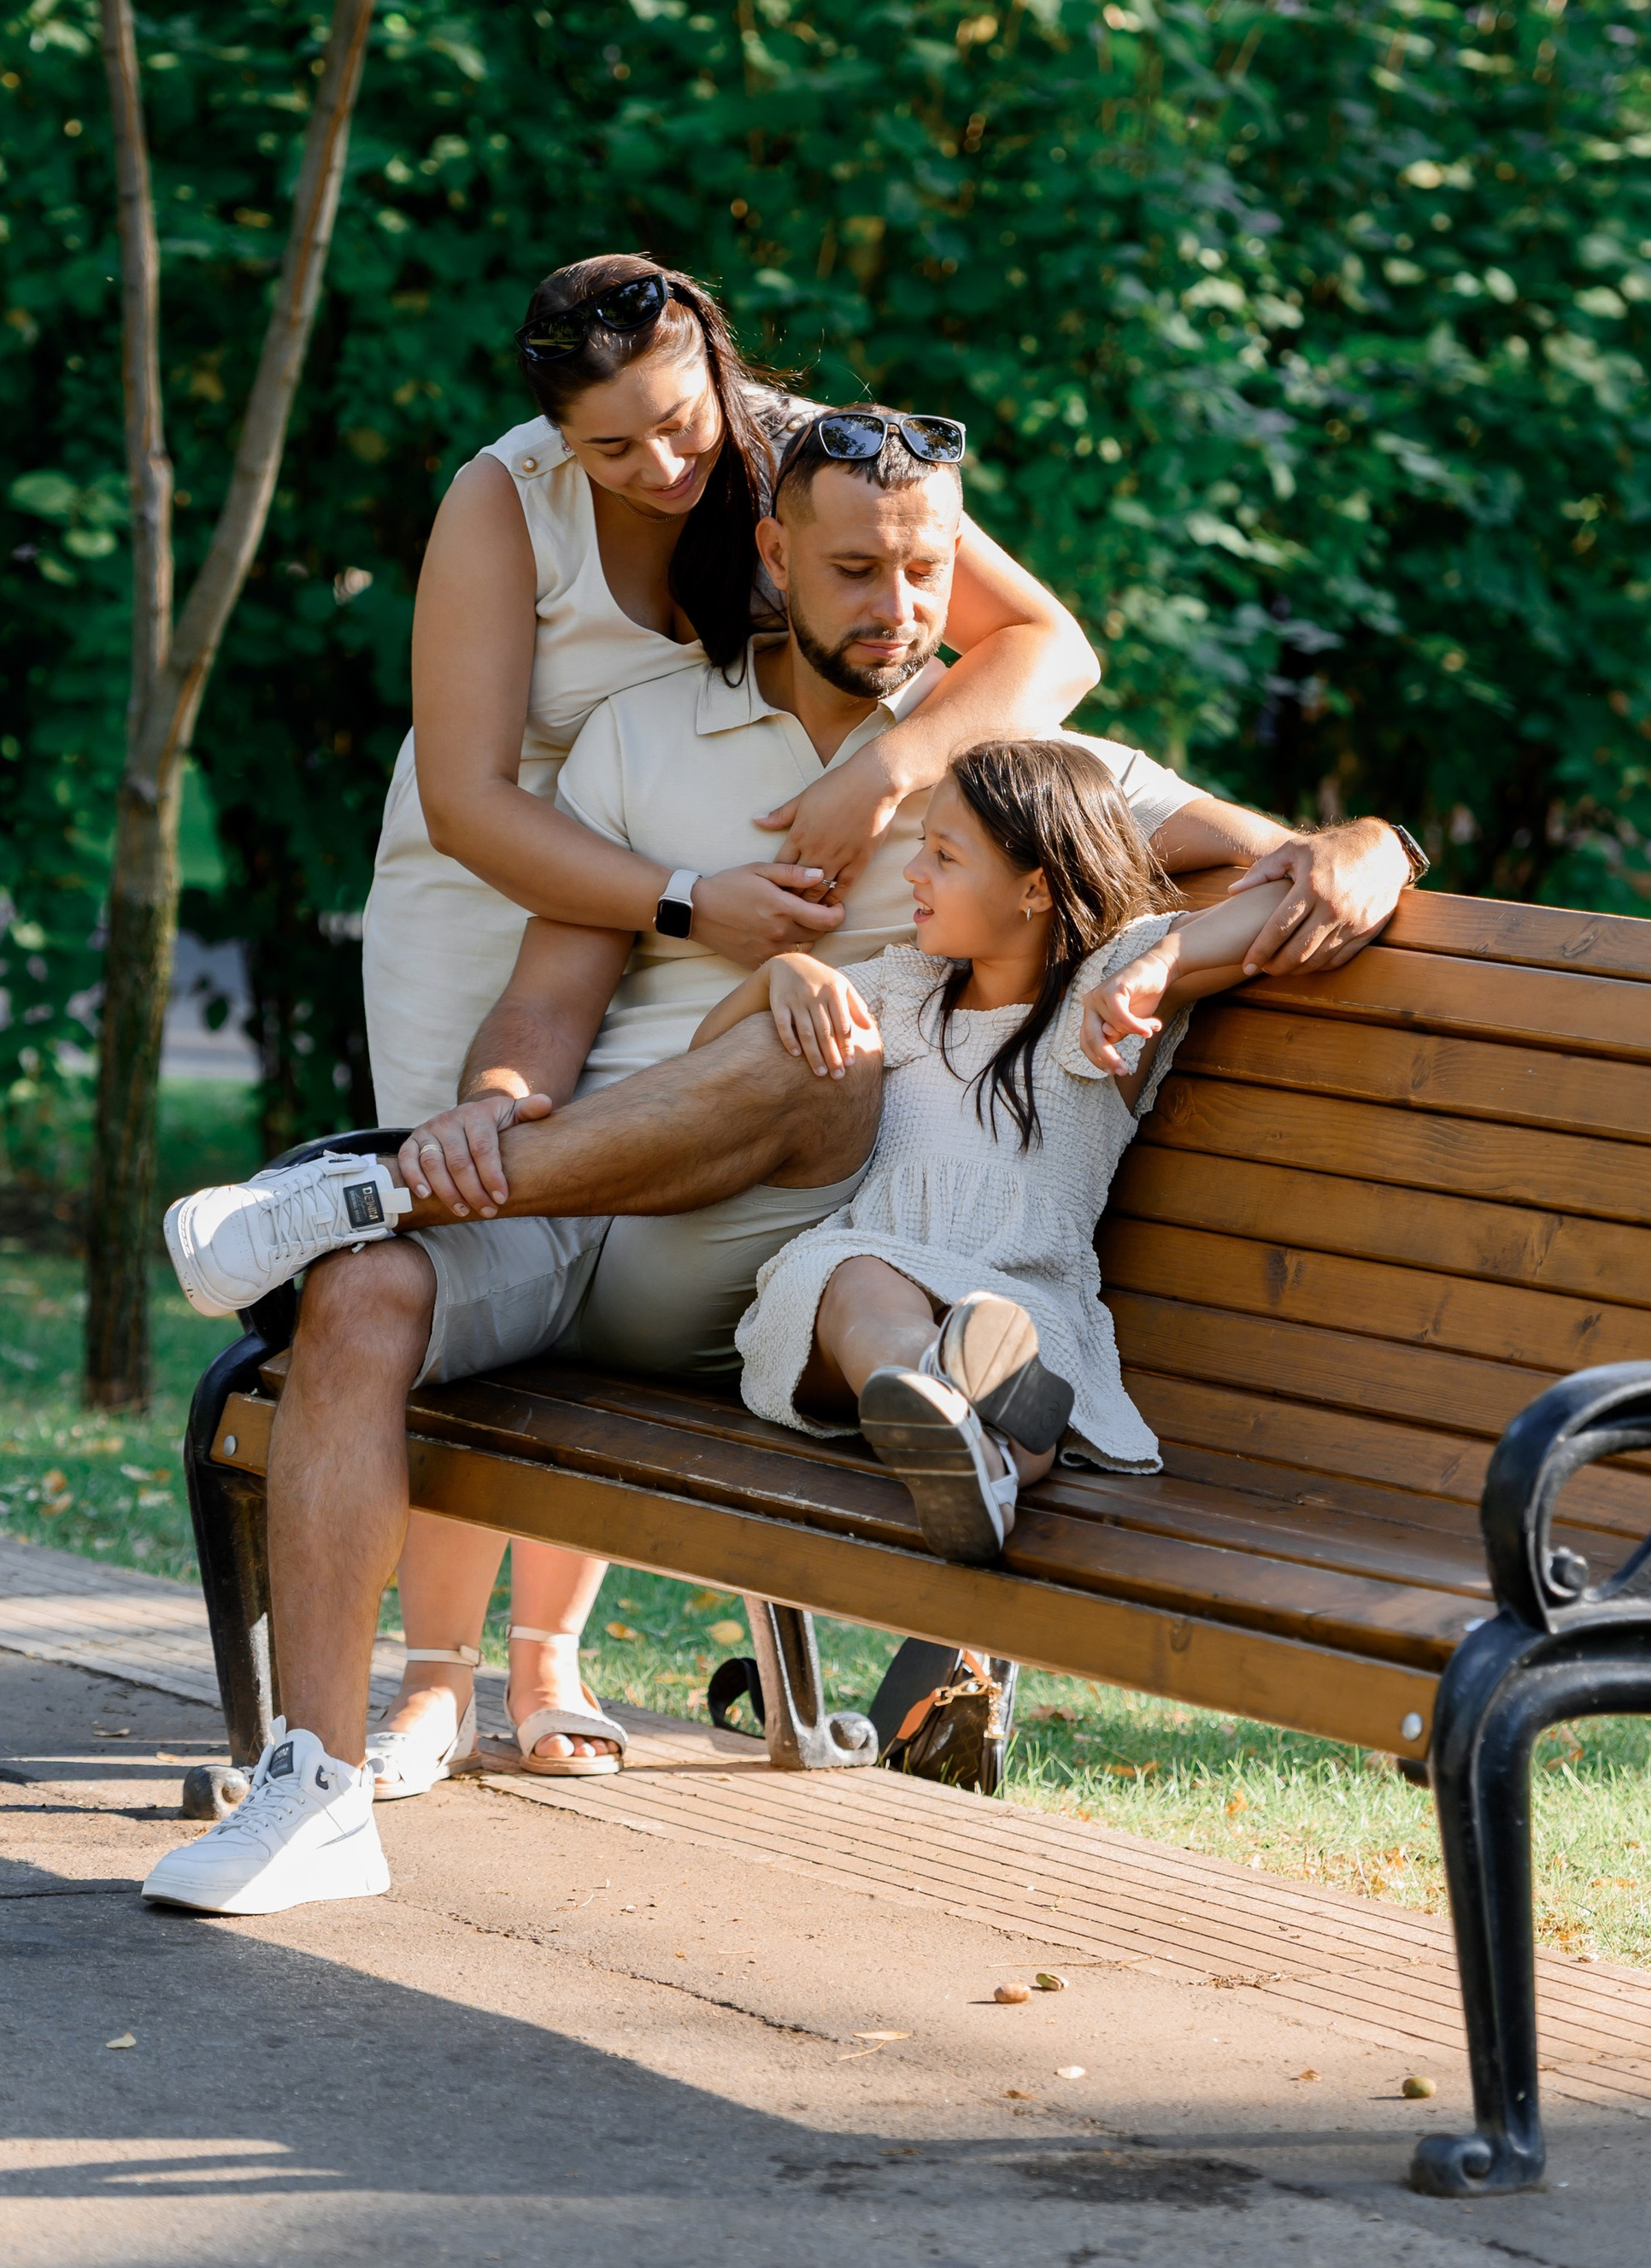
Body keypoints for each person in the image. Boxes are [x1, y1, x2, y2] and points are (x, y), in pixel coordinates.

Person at [148, 422, 1418, 1918]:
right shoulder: (646, 735)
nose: (901, 605)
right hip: (580, 1198)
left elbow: (1292, 864)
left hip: (780, 1257)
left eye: (931, 568)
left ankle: (372, 1183)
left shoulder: (1024, 780)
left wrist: (1371, 846)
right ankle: (319, 1788)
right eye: (859, 568)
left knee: (833, 1039)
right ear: (772, 555)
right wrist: (496, 1104)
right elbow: (548, 1007)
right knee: (359, 1300)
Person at [355, 254, 1100, 1777]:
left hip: (729, 862)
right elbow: (469, 796)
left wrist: (880, 778)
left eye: (681, 422)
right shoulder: (501, 508)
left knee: (644, 1218)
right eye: (611, 446)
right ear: (556, 434)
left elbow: (1050, 649)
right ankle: (431, 1673)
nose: (662, 465)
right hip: (512, 890)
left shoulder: (809, 458)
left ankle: (550, 1660)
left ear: (720, 364)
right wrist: (690, 898)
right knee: (484, 1246)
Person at [713, 737, 1286, 1564]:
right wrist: (780, 975)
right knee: (857, 1278)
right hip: (865, 1297)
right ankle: (942, 1394)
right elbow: (709, 1061)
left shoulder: (1106, 992)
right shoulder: (899, 989)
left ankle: (982, 1458)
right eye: (922, 847)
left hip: (1019, 1299)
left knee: (1015, 1373)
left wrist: (1160, 966)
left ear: (1036, 888)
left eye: (943, 855)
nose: (914, 872)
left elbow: (1274, 913)